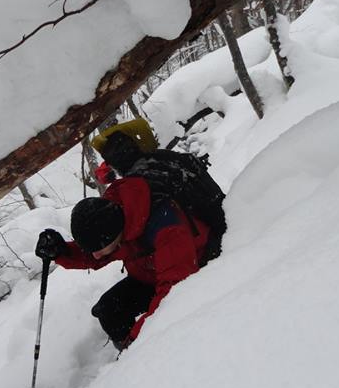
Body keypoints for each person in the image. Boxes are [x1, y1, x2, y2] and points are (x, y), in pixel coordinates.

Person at [36, 119, 225, 350]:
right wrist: (61, 251)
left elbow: (174, 292)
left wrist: (138, 345)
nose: (95, 257)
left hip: (193, 268)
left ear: (116, 235)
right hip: (151, 273)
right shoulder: (114, 210)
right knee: (108, 311)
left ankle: (143, 360)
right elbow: (99, 249)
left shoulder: (166, 226)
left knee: (151, 320)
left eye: (98, 250)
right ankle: (129, 354)